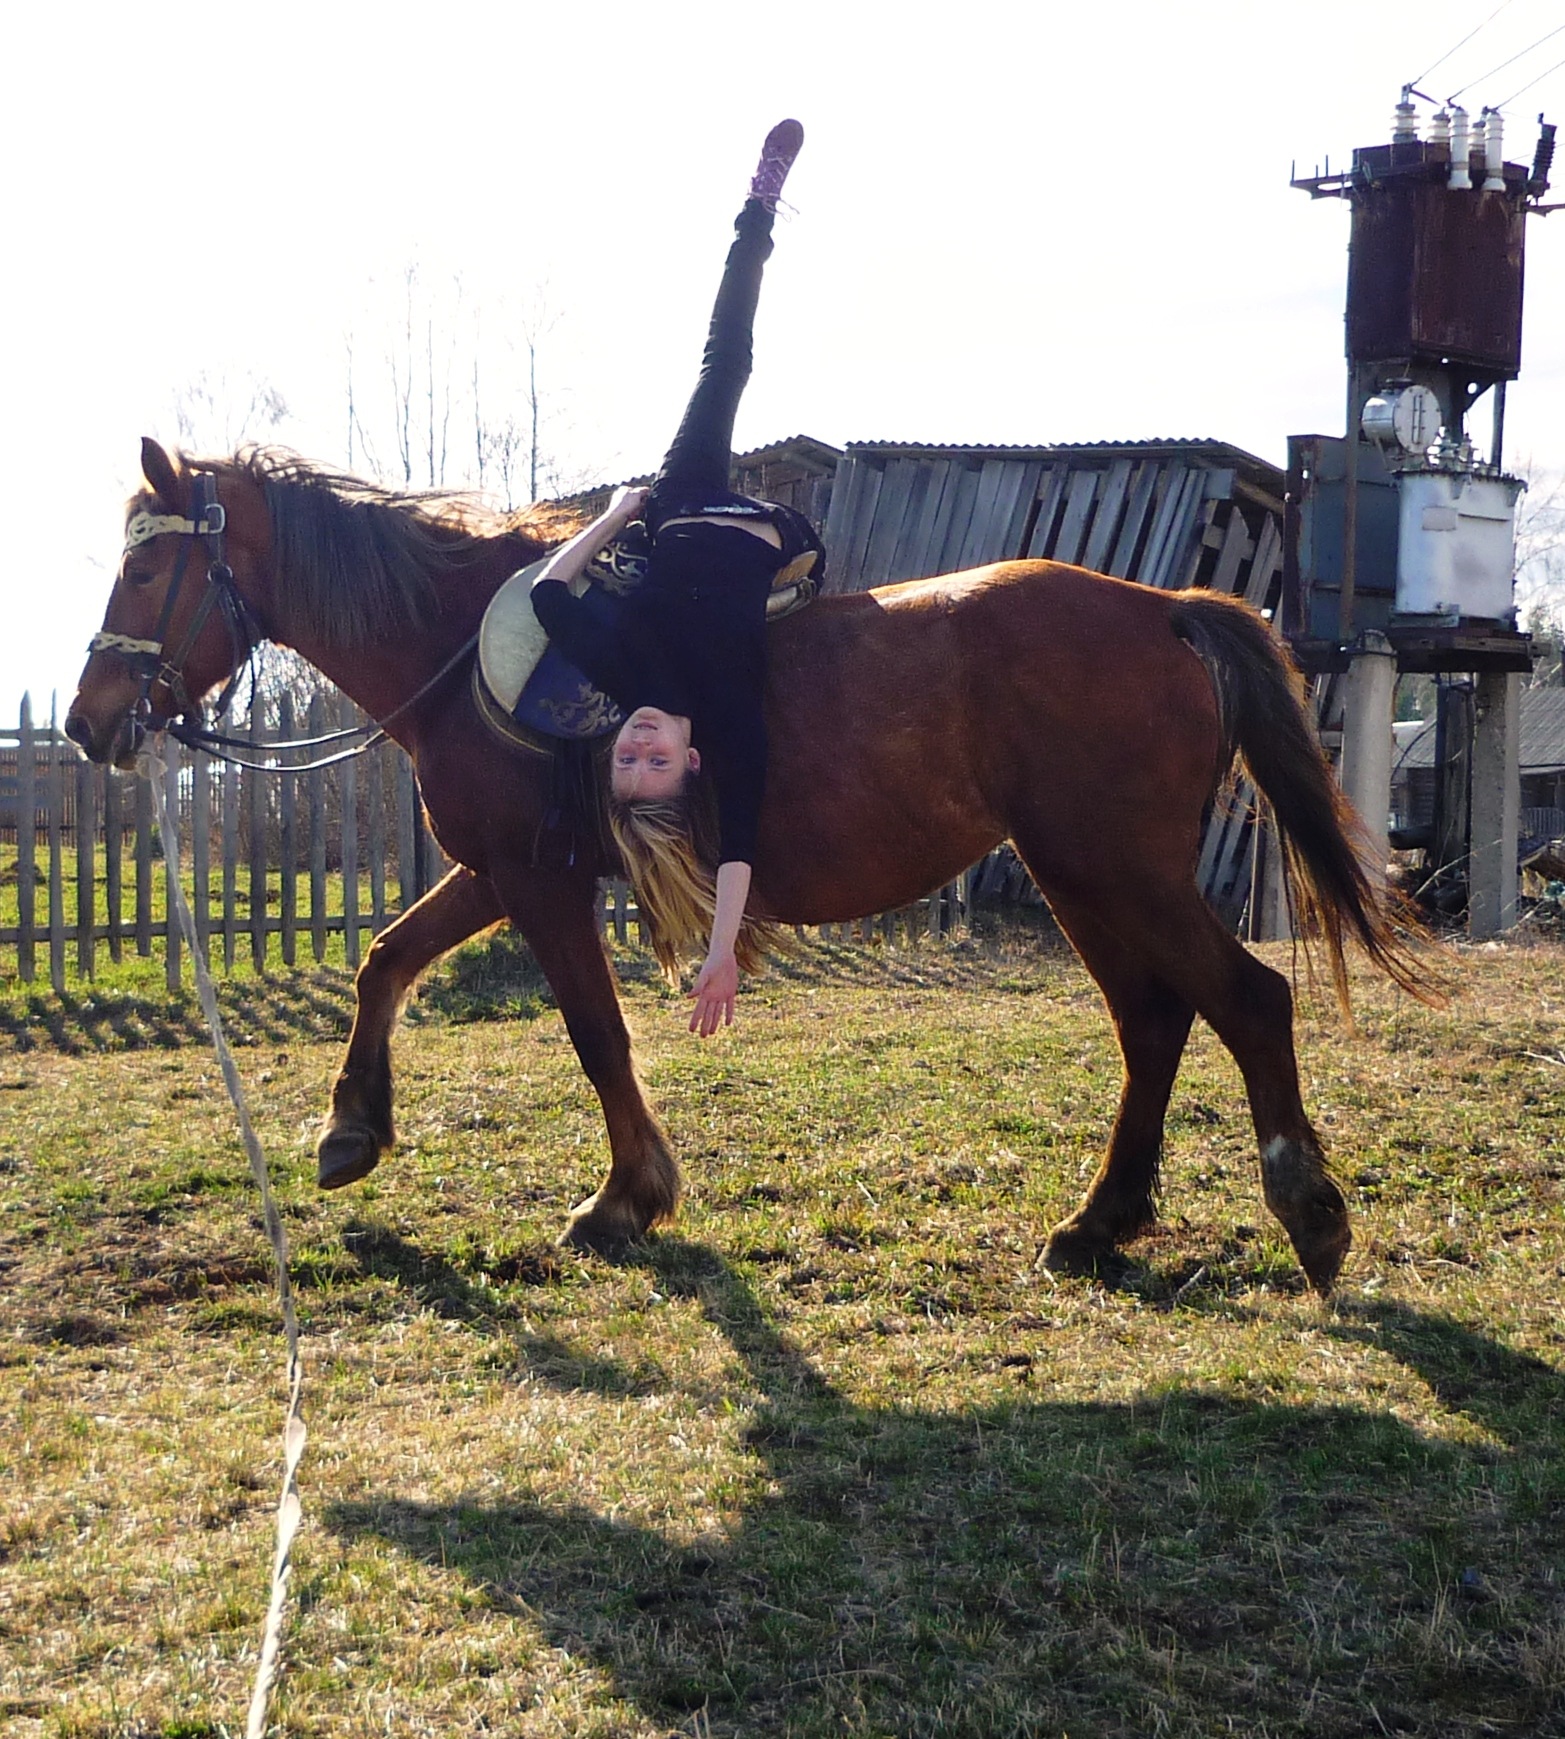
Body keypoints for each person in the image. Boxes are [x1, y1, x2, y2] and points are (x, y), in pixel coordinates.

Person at [529, 120, 820, 1039]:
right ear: (691, 764)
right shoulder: (729, 726)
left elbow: (546, 594)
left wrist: (617, 515)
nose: (640, 747)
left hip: (682, 501)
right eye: (654, 763)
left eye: (626, 759)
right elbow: (736, 849)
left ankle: (757, 208)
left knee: (724, 358)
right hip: (769, 535)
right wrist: (721, 948)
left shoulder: (623, 673)